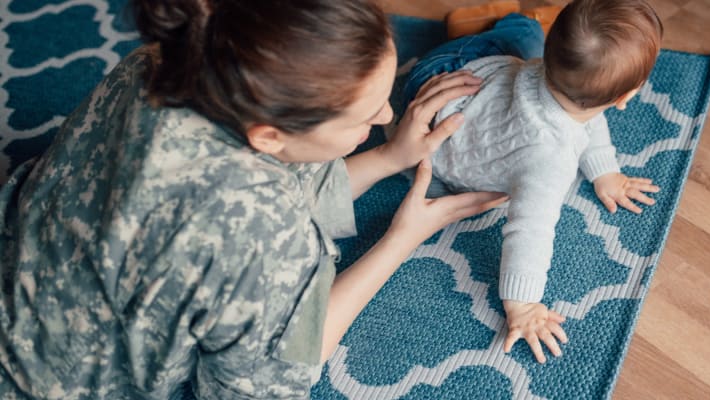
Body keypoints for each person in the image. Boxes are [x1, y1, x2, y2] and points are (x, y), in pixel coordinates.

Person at [0, 0, 508, 398]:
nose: (382, 120)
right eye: (365, 116)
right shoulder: (268, 233)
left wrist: (389, 158)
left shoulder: (163, 62)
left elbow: (276, 184)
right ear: (267, 136)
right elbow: (272, 383)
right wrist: (403, 237)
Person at [401, 0, 663, 364]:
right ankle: (482, 19)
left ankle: (506, 21)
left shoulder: (546, 72)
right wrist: (522, 305)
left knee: (524, 34)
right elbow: (530, 230)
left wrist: (604, 171)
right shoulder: (551, 159)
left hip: (436, 97)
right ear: (625, 98)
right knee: (522, 34)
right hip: (442, 94)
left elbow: (584, 119)